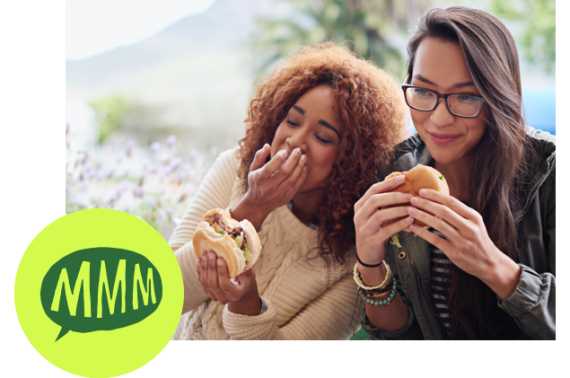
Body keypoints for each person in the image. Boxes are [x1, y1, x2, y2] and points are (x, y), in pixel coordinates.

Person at [169, 42, 408, 341]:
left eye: (322, 137)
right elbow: (162, 294)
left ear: (352, 162)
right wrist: (252, 207)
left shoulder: (353, 260)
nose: (295, 140)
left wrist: (246, 303)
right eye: (292, 121)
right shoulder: (234, 170)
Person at [354, 7, 556, 341]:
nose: (439, 118)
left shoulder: (548, 172)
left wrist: (494, 265)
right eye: (423, 91)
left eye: (464, 96)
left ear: (498, 96)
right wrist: (370, 263)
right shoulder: (394, 173)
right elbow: (397, 336)